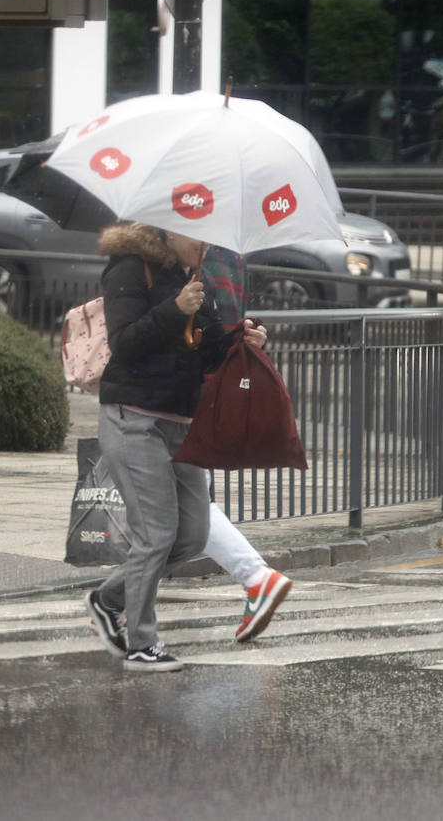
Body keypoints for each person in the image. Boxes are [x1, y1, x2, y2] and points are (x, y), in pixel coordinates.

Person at [84, 223, 267, 671]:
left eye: (208, 239)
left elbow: (203, 352)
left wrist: (240, 339)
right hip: (133, 418)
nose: (204, 246)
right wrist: (174, 307)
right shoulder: (130, 270)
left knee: (191, 534)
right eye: (196, 238)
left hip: (181, 422)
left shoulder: (193, 278)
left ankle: (107, 600)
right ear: (168, 232)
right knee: (156, 535)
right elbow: (124, 343)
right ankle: (142, 644)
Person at [199, 247, 292, 643]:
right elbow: (227, 324)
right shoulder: (227, 252)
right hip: (205, 393)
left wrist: (244, 333)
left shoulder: (196, 252)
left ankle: (256, 576)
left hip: (183, 397)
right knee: (164, 508)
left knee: (181, 505)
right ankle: (124, 604)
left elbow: (210, 329)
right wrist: (248, 332)